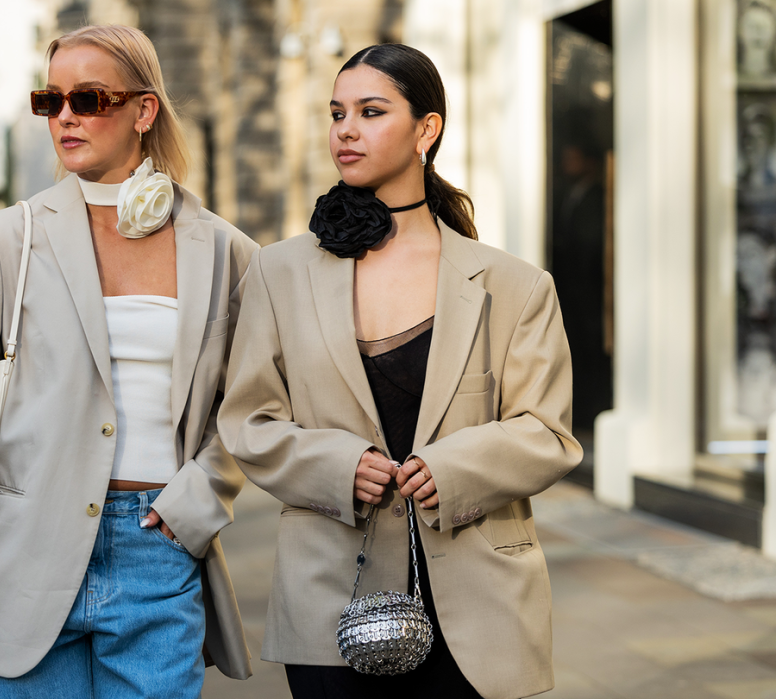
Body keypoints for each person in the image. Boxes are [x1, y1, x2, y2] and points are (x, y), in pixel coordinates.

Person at [0, 24, 257, 698]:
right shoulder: (7, 239)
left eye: (87, 98)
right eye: (50, 99)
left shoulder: (223, 250)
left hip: (160, 550)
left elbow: (253, 402)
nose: (65, 115)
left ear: (143, 111)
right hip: (16, 556)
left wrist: (201, 499)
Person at [218, 44, 582, 699]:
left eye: (371, 111)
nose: (346, 129)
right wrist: (335, 464)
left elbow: (548, 432)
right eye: (336, 113)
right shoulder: (279, 273)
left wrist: (454, 466)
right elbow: (248, 419)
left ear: (427, 129)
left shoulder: (515, 285)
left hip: (479, 608)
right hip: (330, 599)